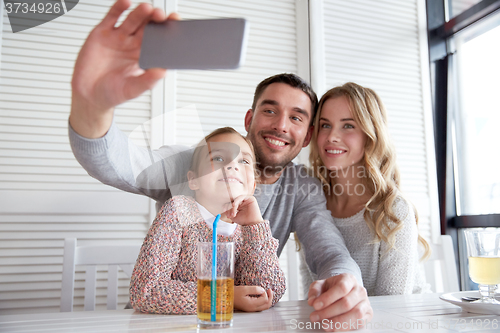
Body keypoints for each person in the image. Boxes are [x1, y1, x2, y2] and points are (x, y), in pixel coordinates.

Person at [69, 0, 373, 326]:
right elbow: (119, 165)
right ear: (250, 118)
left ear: (308, 135)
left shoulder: (302, 188)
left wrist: (346, 282)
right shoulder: (197, 162)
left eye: (296, 117)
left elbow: (327, 251)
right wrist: (93, 106)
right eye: (270, 110)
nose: (281, 125)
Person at [130, 127, 286, 314]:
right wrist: (225, 296)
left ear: (252, 186)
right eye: (218, 158)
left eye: (244, 161)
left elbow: (269, 292)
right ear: (194, 180)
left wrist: (256, 227)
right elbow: (145, 291)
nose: (233, 166)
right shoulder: (178, 212)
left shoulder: (251, 231)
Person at [307, 82, 431, 296]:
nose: (331, 137)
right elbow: (312, 291)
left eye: (348, 125)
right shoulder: (312, 207)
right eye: (325, 125)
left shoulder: (393, 210)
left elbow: (393, 303)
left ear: (370, 134)